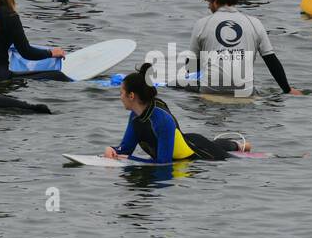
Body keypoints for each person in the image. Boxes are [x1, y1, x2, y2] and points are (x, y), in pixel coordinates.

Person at [104, 63, 250, 164]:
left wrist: (130, 159)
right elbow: (126, 149)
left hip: (197, 154)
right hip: (186, 141)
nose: (120, 97)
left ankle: (238, 146)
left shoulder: (162, 120)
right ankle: (238, 145)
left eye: (121, 93)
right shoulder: (135, 115)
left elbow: (164, 163)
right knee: (210, 143)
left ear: (131, 96)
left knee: (228, 158)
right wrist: (112, 150)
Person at [189, 0, 300, 96]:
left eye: (209, 2)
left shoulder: (202, 24)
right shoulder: (254, 23)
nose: (209, 6)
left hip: (210, 90)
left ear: (215, 0)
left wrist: (193, 88)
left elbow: (191, 65)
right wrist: (287, 90)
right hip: (244, 92)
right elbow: (271, 60)